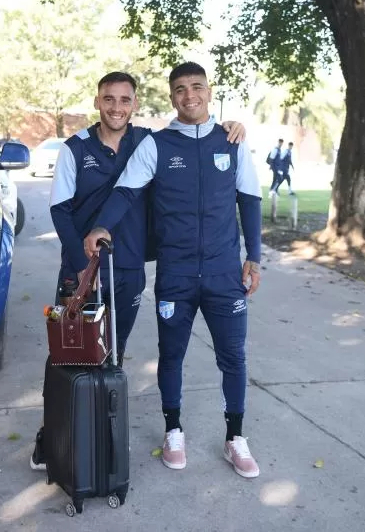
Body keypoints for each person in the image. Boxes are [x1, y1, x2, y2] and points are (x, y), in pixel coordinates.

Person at [29, 71, 247, 471]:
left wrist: (232, 127)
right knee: (67, 353)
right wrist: (80, 266)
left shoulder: (147, 141)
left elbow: (194, 135)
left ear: (135, 104)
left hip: (126, 268)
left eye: (124, 100)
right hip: (79, 270)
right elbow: (59, 210)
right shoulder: (75, 148)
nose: (116, 107)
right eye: (108, 99)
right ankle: (52, 437)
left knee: (114, 354)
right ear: (97, 101)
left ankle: (100, 434)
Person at [83, 62, 263, 479]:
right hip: (176, 275)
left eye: (196, 87)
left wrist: (253, 256)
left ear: (209, 91)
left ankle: (235, 437)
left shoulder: (231, 141)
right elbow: (125, 191)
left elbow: (249, 200)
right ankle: (173, 429)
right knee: (172, 355)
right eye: (180, 90)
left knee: (233, 357)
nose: (189, 96)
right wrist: (100, 226)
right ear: (171, 97)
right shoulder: (157, 145)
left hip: (224, 274)